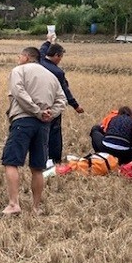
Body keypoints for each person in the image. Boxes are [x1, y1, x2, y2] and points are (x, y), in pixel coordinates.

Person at [1, 47, 67, 216]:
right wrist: (50, 113)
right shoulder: (51, 76)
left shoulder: (19, 70)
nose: (18, 58)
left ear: (27, 56)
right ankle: (36, 207)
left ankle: (13, 203)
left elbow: (18, 92)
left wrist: (36, 110)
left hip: (23, 120)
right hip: (44, 125)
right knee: (38, 167)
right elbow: (62, 100)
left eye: (19, 55)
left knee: (11, 161)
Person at [40, 35, 83, 165]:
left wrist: (49, 41)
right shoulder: (57, 72)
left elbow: (42, 49)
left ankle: (41, 156)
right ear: (57, 56)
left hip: (38, 104)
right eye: (60, 57)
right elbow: (65, 91)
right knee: (54, 133)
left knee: (41, 132)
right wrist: (76, 106)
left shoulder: (39, 60)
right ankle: (54, 159)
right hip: (52, 105)